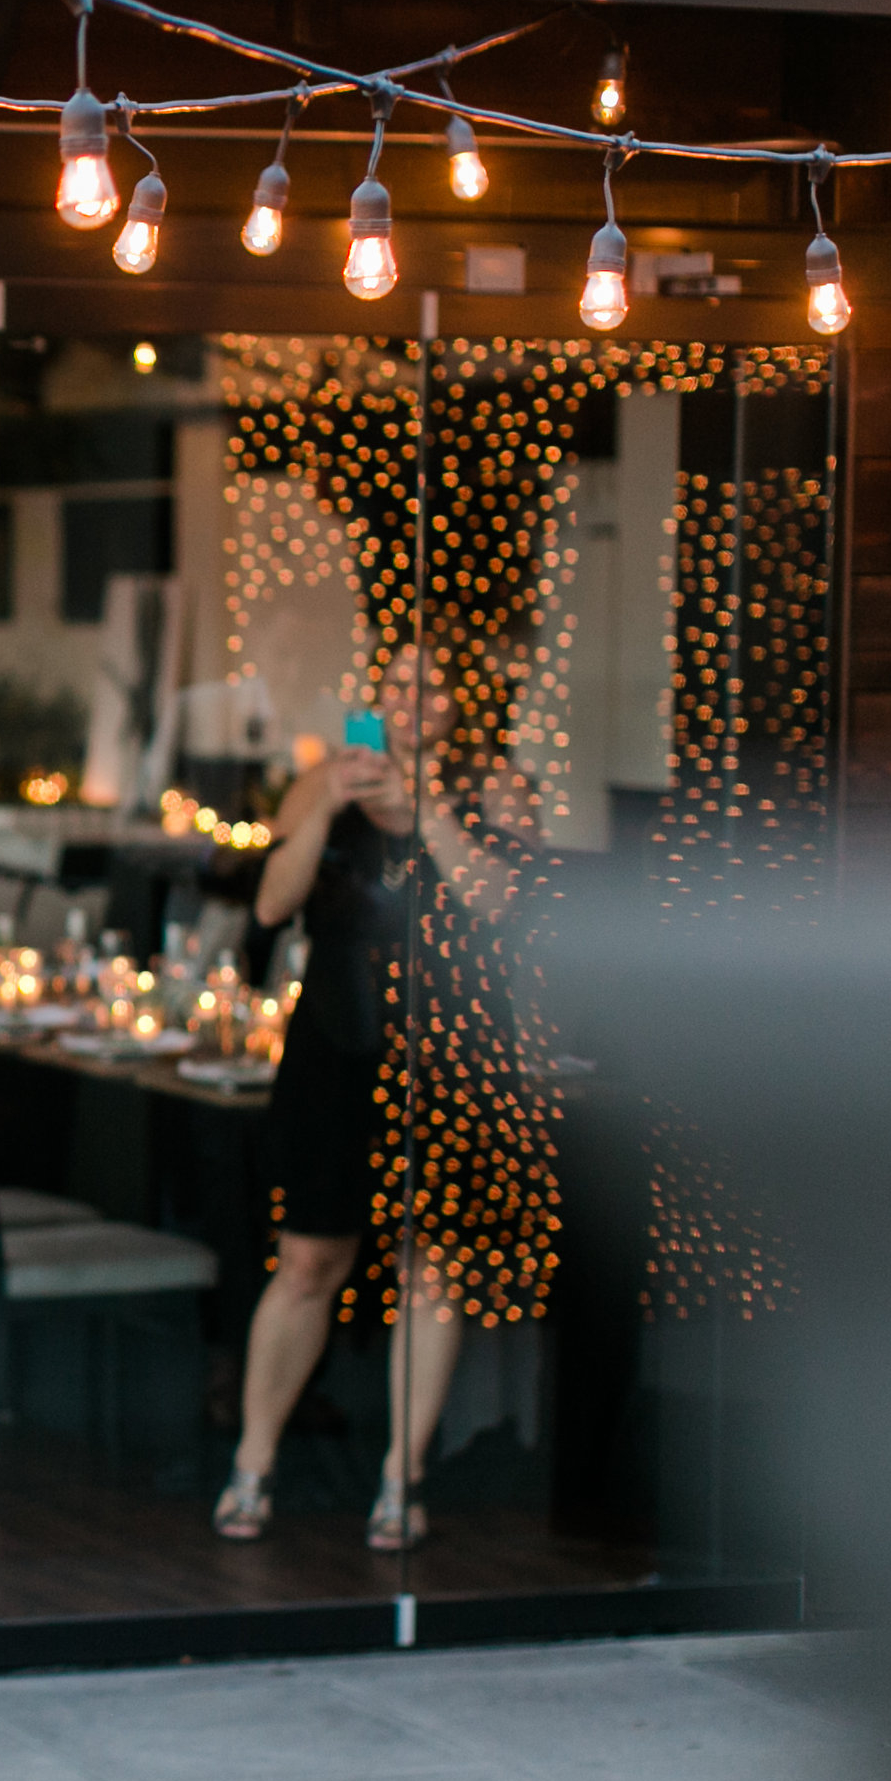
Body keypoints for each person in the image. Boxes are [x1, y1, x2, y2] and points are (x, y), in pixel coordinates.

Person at [214, 643, 550, 1552]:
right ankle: (254, 1460)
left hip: (447, 1058)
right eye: (396, 683)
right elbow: (274, 906)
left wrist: (428, 814)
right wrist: (326, 803)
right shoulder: (326, 780)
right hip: (335, 1047)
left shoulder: (495, 790)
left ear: (460, 702)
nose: (410, 699)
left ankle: (400, 1481)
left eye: (431, 684)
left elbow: (500, 906)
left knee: (431, 1270)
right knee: (308, 1262)